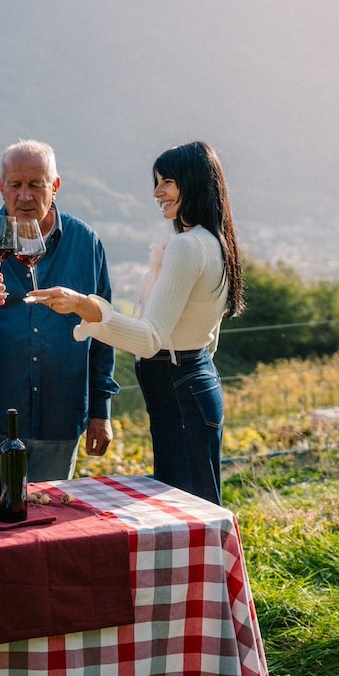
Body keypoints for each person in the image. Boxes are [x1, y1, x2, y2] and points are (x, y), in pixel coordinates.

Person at [31, 140, 244, 505]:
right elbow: (210, 339)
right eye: (157, 182)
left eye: (167, 183)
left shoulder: (186, 247)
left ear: (193, 182)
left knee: (186, 508)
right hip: (196, 381)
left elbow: (149, 340)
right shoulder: (215, 242)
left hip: (178, 387)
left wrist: (85, 307)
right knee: (199, 503)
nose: (157, 192)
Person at [0, 139, 119, 489]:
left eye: (36, 185)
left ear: (55, 187)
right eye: (15, 185)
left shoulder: (85, 242)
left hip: (59, 425)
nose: (25, 196)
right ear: (1, 187)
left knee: (47, 535)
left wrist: (100, 412)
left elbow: (102, 329)